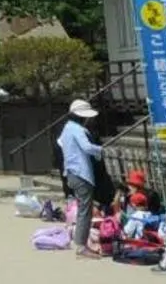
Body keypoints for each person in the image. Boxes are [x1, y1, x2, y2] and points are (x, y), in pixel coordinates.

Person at [57, 98, 106, 259]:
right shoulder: (77, 130)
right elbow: (86, 147)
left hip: (71, 172)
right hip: (81, 173)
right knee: (85, 211)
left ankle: (80, 242)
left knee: (82, 209)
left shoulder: (66, 129)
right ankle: (81, 246)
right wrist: (100, 149)